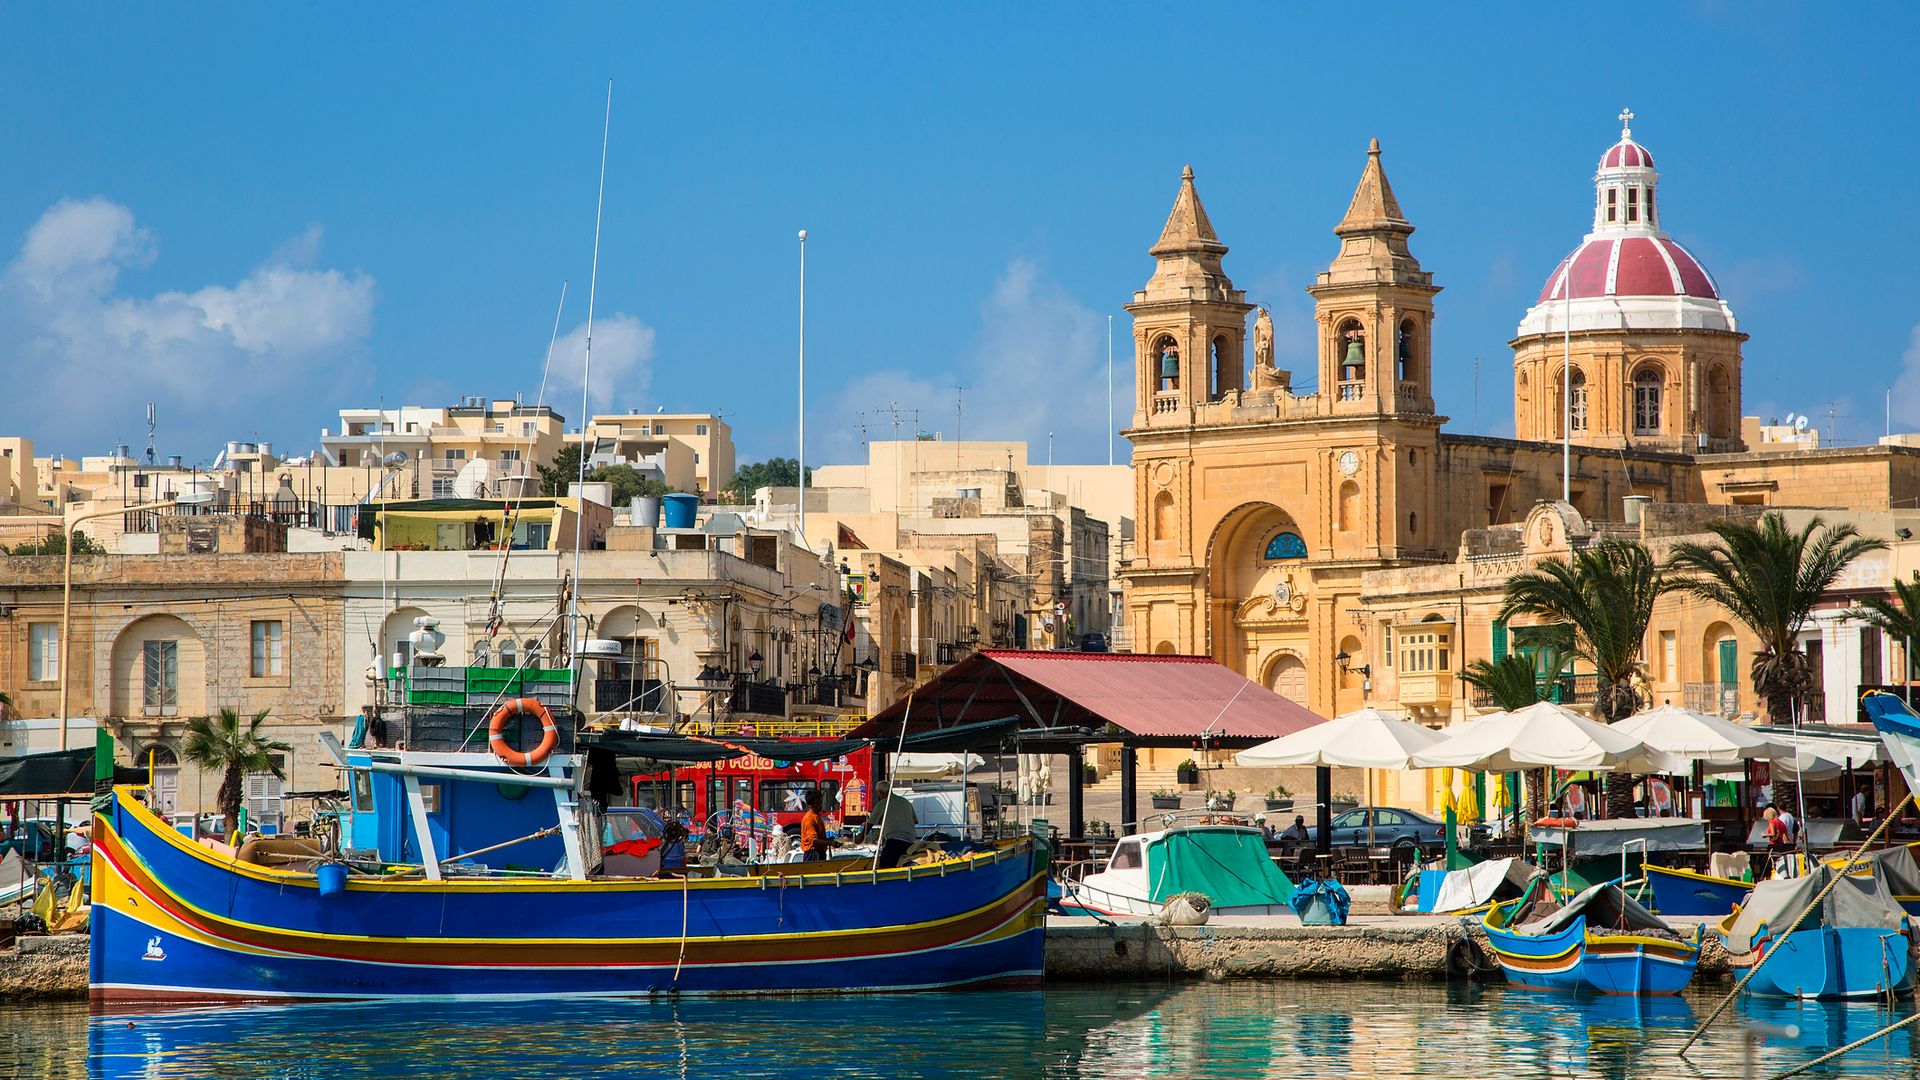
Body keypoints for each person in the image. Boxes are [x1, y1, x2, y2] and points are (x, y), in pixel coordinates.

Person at [862, 781, 918, 870]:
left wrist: (859, 839)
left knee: (885, 867)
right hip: (910, 842)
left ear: (880, 792)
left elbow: (869, 825)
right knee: (902, 867)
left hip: (894, 842)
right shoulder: (905, 802)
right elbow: (915, 821)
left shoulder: (883, 803)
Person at [799, 790, 829, 862]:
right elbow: (814, 841)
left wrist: (828, 840)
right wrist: (830, 843)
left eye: (820, 802)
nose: (819, 805)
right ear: (809, 805)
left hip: (820, 852)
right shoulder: (809, 819)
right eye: (817, 803)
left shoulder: (817, 816)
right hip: (813, 855)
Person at [1763, 807, 1790, 876]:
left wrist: (1765, 835)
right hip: (1781, 846)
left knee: (1768, 863)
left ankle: (1769, 876)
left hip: (1773, 846)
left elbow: (1772, 834)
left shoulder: (1772, 822)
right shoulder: (1781, 823)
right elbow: (1787, 836)